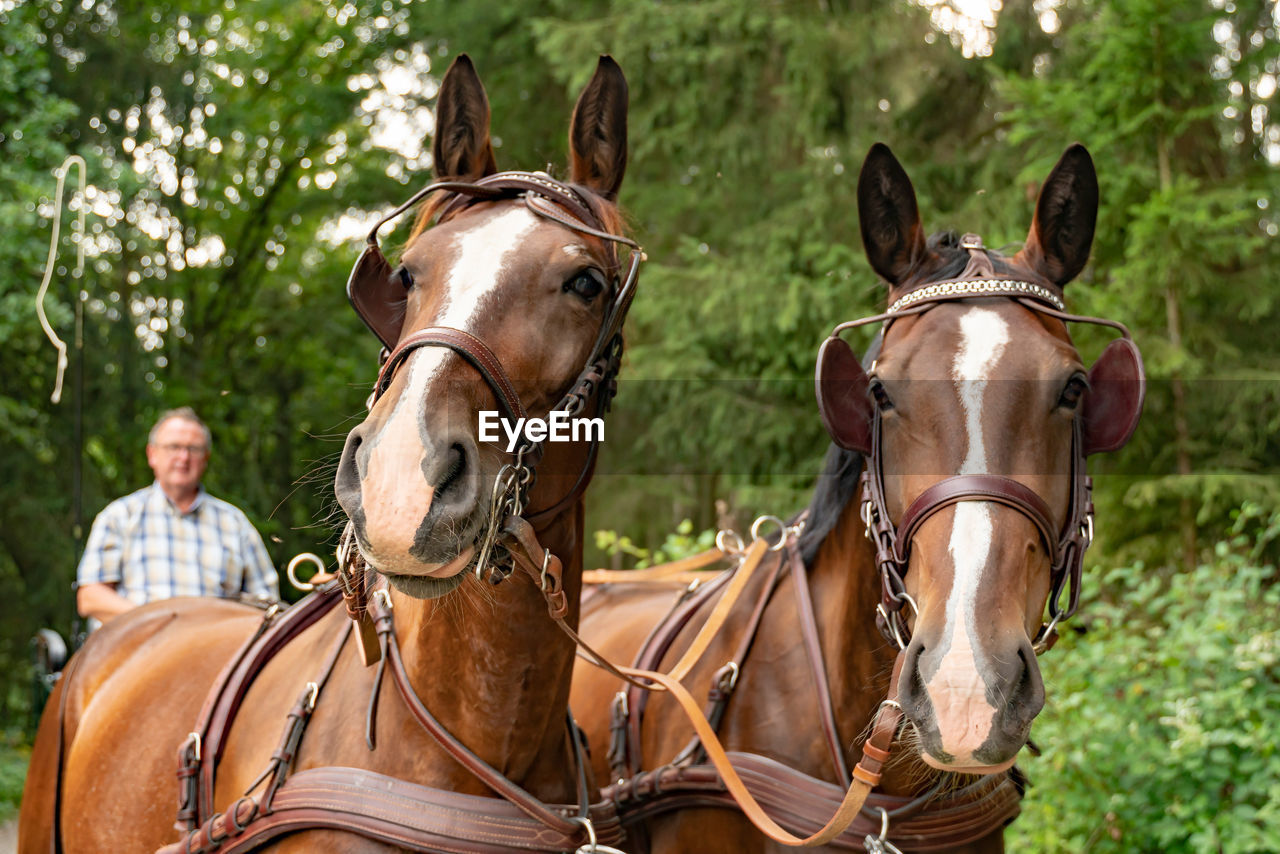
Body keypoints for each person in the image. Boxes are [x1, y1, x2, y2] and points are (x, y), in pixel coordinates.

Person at [75, 407, 280, 624]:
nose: (183, 457)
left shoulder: (234, 523)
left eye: (194, 449)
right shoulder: (120, 516)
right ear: (152, 454)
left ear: (206, 458)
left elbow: (267, 604)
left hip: (217, 651)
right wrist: (159, 624)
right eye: (173, 447)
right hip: (138, 647)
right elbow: (90, 598)